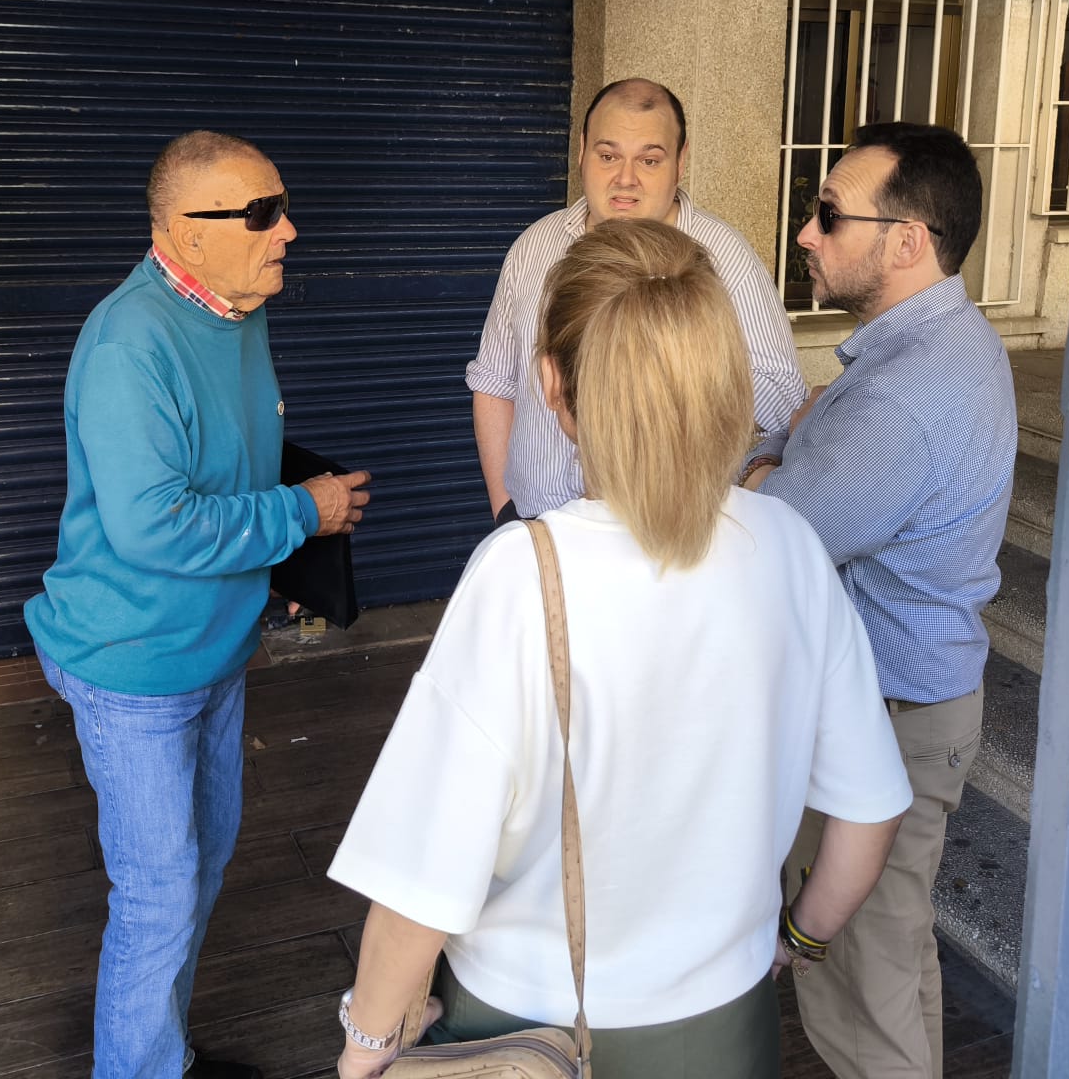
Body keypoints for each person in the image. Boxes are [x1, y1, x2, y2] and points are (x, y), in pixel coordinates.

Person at [328, 219, 913, 1079]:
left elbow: (421, 880)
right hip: (731, 1028)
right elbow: (870, 811)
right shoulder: (790, 545)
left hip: (529, 1034)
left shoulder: (522, 573)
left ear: (552, 386)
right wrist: (797, 938)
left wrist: (367, 1046)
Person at [24, 131, 371, 1079]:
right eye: (262, 214)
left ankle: (161, 1054)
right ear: (185, 233)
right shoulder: (128, 346)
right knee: (158, 897)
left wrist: (287, 545)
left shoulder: (235, 309)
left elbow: (225, 463)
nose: (288, 230)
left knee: (201, 867)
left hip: (215, 648)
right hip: (133, 663)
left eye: (282, 206)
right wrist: (300, 513)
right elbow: (152, 527)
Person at [742, 122, 1017, 1079]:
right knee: (890, 962)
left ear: (906, 241)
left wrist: (769, 453)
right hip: (909, 705)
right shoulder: (943, 347)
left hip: (887, 719)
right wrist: (799, 441)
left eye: (828, 215)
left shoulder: (901, 396)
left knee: (862, 983)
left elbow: (775, 536)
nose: (806, 234)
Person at [468, 76, 806, 521]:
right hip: (542, 525)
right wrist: (505, 511)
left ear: (680, 162)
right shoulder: (535, 246)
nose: (625, 180)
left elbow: (782, 400)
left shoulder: (726, 258)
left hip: (666, 534)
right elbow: (494, 382)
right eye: (608, 156)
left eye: (649, 160)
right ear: (582, 150)